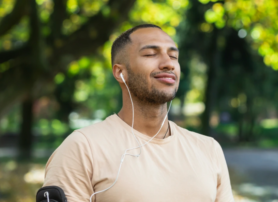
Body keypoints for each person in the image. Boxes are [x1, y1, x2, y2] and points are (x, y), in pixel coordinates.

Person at [43, 24, 234, 202]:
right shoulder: (82, 148)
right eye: (151, 54)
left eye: (174, 56)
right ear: (120, 73)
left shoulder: (209, 150)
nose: (168, 63)